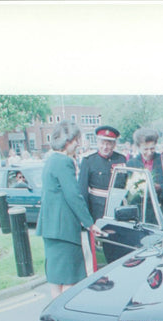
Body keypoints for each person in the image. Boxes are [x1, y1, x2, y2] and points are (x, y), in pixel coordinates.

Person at [36, 121, 105, 298]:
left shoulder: (51, 160)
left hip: (50, 228)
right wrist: (90, 223)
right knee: (70, 281)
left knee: (55, 281)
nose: (78, 144)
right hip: (64, 230)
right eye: (76, 140)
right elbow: (73, 195)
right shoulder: (65, 162)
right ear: (68, 141)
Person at [126, 127, 163, 231]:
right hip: (142, 219)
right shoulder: (131, 164)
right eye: (145, 149)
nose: (149, 152)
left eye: (152, 148)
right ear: (138, 147)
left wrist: (160, 188)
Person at [78, 125, 126, 222]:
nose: (105, 147)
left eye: (108, 144)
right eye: (102, 143)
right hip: (96, 212)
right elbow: (82, 191)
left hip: (117, 210)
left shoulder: (121, 159)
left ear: (114, 144)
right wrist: (86, 217)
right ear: (97, 143)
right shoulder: (88, 161)